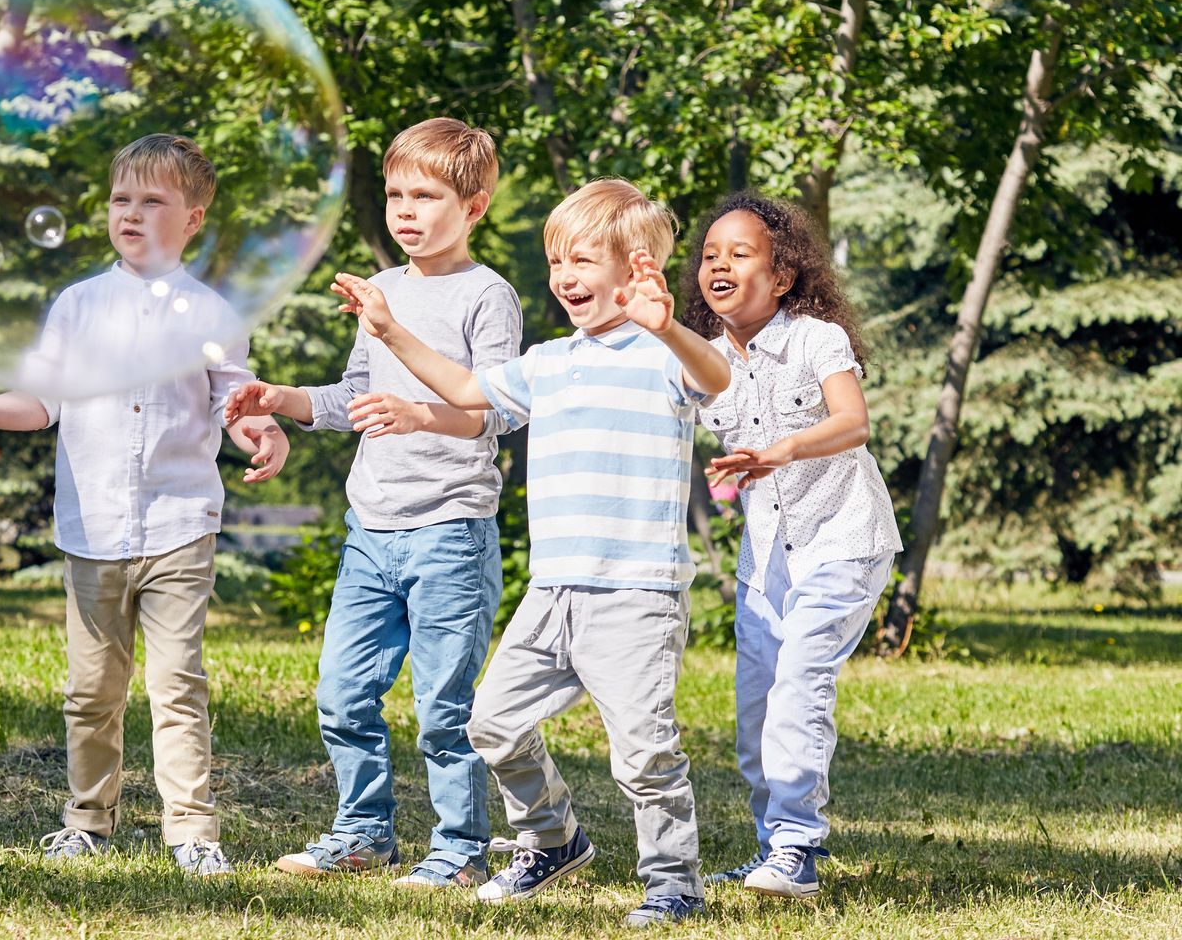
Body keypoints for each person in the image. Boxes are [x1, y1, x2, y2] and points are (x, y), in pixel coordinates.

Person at [330, 177, 731, 929]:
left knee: (644, 753)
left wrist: (669, 327)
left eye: (582, 261)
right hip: (552, 593)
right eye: (556, 262)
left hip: (634, 594)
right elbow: (465, 388)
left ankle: (673, 882)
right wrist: (389, 333)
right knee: (490, 722)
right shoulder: (551, 361)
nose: (565, 278)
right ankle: (553, 840)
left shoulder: (663, 355)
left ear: (636, 268)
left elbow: (717, 378)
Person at [0, 134, 289, 878]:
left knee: (177, 683)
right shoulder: (77, 307)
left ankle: (191, 831)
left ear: (193, 219)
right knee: (92, 690)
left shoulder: (213, 314)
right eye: (122, 200)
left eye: (154, 202)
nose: (133, 214)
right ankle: (88, 818)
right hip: (95, 527)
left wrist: (261, 430)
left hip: (181, 523)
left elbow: (235, 401)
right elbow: (42, 401)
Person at [224, 118, 521, 889]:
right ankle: (364, 833)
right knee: (341, 696)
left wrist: (422, 414)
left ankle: (459, 848)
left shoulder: (487, 295)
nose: (407, 211)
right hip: (372, 532)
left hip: (450, 532)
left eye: (426, 195)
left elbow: (500, 409)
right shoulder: (382, 289)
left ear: (476, 206)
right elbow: (357, 395)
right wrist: (283, 397)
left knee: (443, 708)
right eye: (396, 195)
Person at [684, 192, 901, 900]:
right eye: (711, 255)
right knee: (757, 713)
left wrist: (780, 452)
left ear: (781, 277)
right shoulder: (704, 361)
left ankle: (798, 848)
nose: (719, 264)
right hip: (766, 560)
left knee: (799, 690)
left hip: (843, 538)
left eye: (739, 254)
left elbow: (853, 422)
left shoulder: (816, 340)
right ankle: (775, 846)